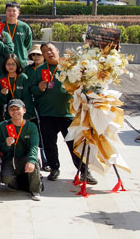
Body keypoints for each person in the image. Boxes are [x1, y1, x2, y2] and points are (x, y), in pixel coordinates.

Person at [28, 43, 94, 184]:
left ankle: (84, 171)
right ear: (43, 56)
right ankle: (54, 168)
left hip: (67, 113)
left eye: (51, 50)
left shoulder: (70, 68)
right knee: (49, 143)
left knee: (74, 144)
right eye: (45, 51)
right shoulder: (39, 71)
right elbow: (31, 90)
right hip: (46, 113)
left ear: (57, 51)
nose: (49, 53)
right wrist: (39, 88)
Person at [0, 99, 42, 200]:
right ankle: (17, 183)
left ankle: (35, 190)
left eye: (18, 109)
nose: (15, 111)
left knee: (34, 161)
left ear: (24, 110)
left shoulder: (31, 126)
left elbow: (34, 146)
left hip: (25, 158)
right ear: (8, 112)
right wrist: (6, 144)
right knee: (6, 178)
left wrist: (31, 160)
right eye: (12, 109)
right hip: (9, 159)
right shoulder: (3, 126)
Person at [2, 2, 32, 75]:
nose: (11, 13)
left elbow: (27, 45)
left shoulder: (24, 27)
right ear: (6, 12)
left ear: (18, 13)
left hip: (20, 61)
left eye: (14, 11)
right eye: (9, 10)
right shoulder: (0, 25)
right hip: (4, 62)